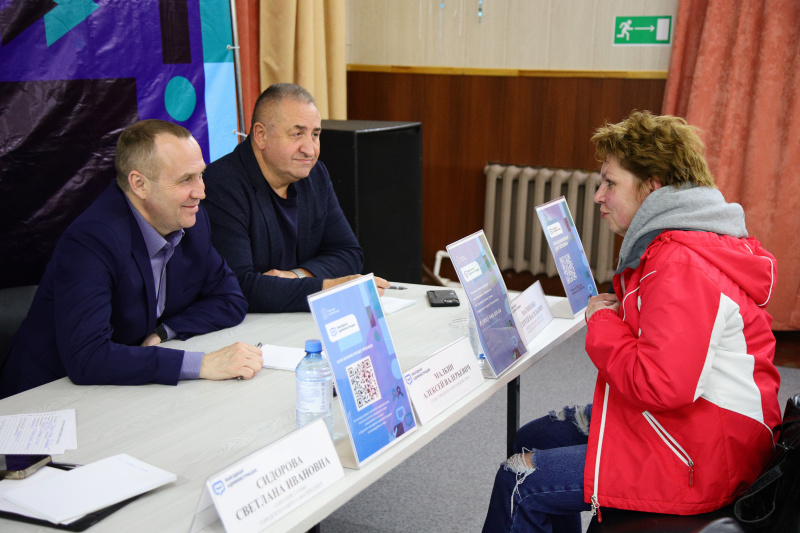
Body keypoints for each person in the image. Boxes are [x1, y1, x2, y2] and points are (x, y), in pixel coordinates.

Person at [482, 111, 781, 532]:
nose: (598, 196)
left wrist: (602, 321)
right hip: (697, 430)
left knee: (519, 478)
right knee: (535, 436)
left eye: (610, 183)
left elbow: (659, 383)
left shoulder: (679, 262)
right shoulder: (678, 244)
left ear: (652, 188)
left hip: (702, 456)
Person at [0, 120, 263, 399]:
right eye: (186, 179)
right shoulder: (92, 241)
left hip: (123, 385)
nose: (201, 192)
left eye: (201, 175)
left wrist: (164, 332)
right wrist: (202, 364)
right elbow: (88, 358)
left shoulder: (192, 222)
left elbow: (231, 299)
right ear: (139, 184)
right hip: (44, 397)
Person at [203, 83, 388, 313]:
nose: (310, 150)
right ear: (261, 135)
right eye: (297, 134)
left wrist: (297, 275)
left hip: (296, 318)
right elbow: (239, 285)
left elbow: (349, 253)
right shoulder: (222, 184)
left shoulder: (315, 175)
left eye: (316, 135)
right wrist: (328, 287)